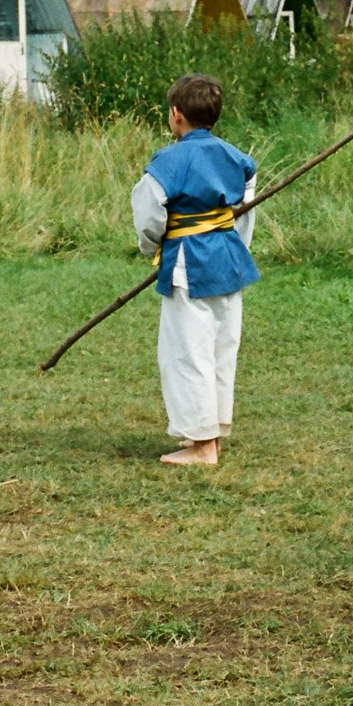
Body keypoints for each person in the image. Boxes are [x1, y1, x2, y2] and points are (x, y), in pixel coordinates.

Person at [131, 73, 257, 466]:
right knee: (222, 346)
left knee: (188, 352)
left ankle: (203, 446)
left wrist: (154, 246)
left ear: (176, 115)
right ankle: (211, 431)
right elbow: (244, 210)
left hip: (190, 261)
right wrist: (234, 242)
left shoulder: (169, 160)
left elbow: (150, 211)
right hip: (228, 257)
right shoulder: (237, 158)